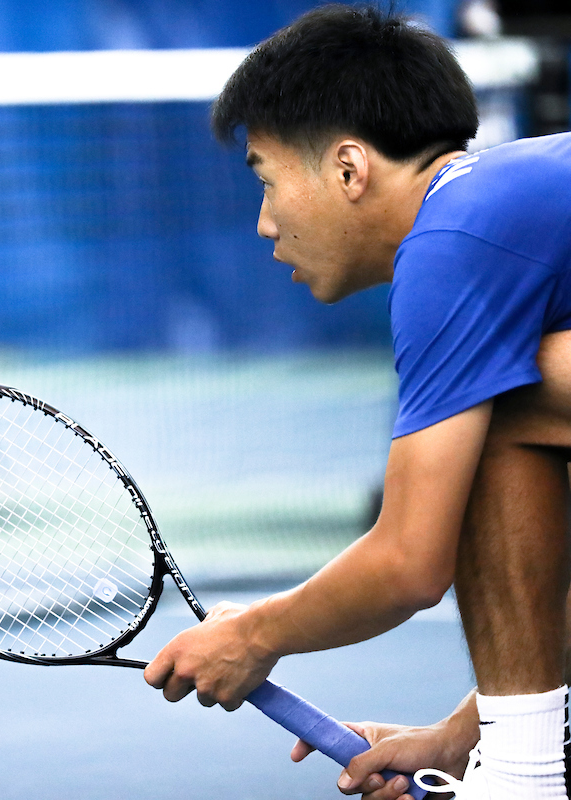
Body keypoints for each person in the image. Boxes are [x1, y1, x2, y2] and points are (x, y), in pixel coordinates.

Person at [141, 5, 571, 799]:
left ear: (348, 169)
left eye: (267, 180)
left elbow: (410, 565)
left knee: (499, 405)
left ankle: (526, 776)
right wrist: (461, 735)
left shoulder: (450, 249)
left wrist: (252, 635)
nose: (265, 225)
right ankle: (521, 760)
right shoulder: (506, 208)